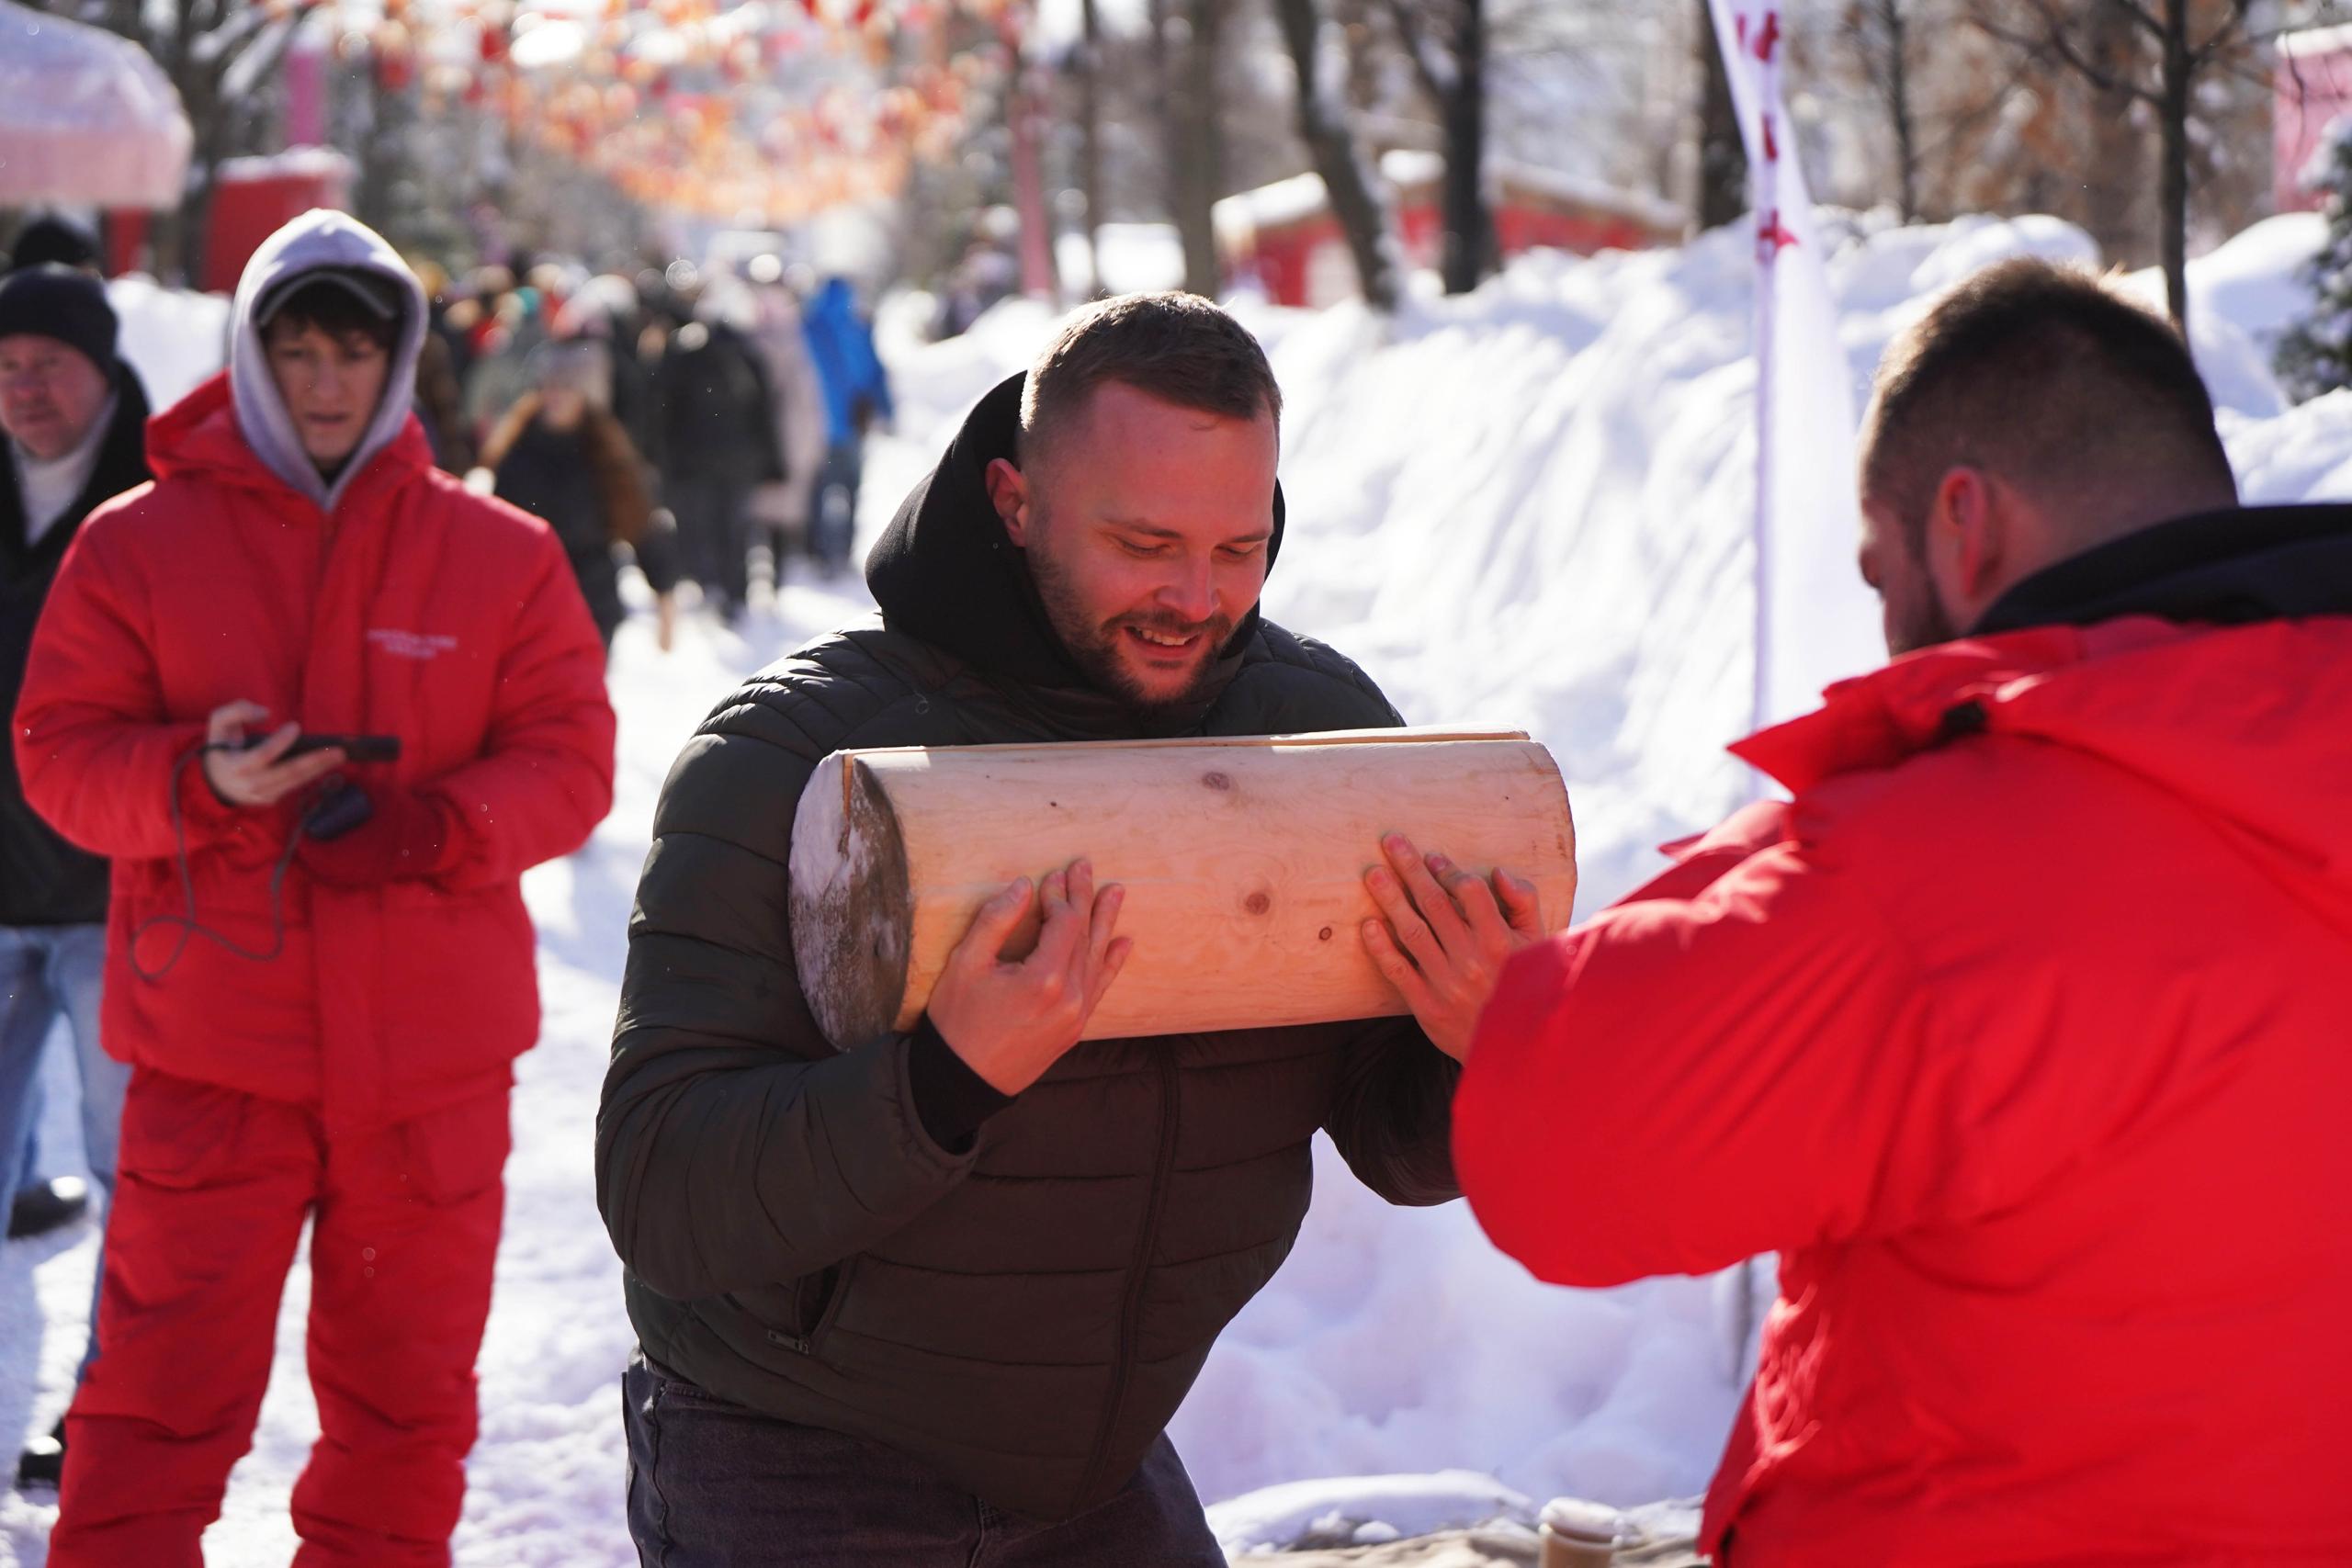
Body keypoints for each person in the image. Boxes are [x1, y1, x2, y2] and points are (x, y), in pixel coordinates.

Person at [598, 292, 1532, 1563]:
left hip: (1094, 1465)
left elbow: (1393, 1138)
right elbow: (662, 1190)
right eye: (1144, 542)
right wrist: (937, 1082)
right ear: (1015, 499)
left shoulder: (1319, 738)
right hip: (791, 1445)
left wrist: (1480, 1044)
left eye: (1239, 548)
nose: (1195, 598)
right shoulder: (795, 751)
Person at [1443, 259, 2352, 1564]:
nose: (1883, 632)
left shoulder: (1951, 863)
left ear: (1962, 522)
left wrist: (1528, 999)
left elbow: (1570, 1157)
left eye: (1880, 579)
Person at [14, 209, 616, 1563]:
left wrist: (435, 828)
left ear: (400, 358)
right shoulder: (134, 543)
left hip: (430, 1073)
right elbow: (56, 755)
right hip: (211, 1056)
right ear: (251, 354)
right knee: (152, 1411)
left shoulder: (500, 551)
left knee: (405, 1416)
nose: (328, 379)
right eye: (298, 350)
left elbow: (573, 761)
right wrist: (198, 784)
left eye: (356, 348)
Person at [0, 265, 152, 1483]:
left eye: (46, 362)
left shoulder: (163, 491)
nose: (23, 387)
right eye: (3, 365)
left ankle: (99, 1406)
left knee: (127, 1172)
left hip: (117, 890)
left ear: (101, 366)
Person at [485, 339, 673, 657]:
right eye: (550, 385)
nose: (555, 396)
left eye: (567, 387)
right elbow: (492, 531)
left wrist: (665, 599)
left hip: (591, 600)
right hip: (528, 601)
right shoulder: (517, 448)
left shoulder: (607, 454)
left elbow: (640, 524)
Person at [652, 273, 786, 622]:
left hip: (697, 458)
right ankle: (731, 590)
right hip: (734, 459)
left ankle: (713, 585)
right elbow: (764, 414)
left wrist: (664, 457)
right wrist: (772, 460)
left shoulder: (686, 349)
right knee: (734, 527)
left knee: (705, 525)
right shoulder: (746, 352)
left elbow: (664, 410)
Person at [800, 274, 894, 574]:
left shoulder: (808, 326)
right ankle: (843, 548)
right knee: (849, 490)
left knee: (822, 491)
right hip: (853, 426)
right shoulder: (857, 328)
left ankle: (821, 551)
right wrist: (885, 409)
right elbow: (875, 373)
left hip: (818, 427)